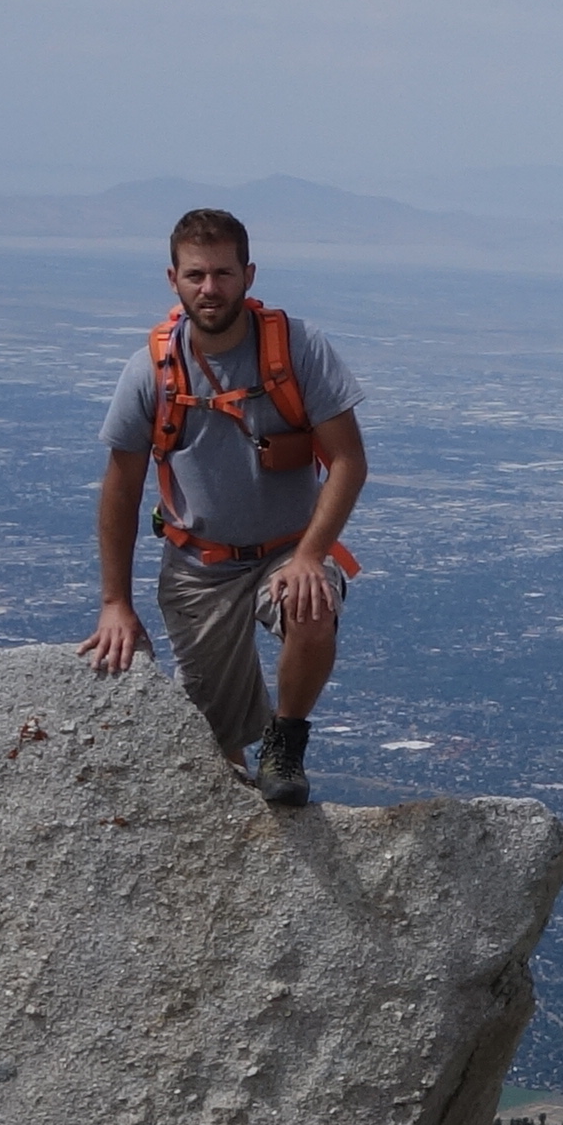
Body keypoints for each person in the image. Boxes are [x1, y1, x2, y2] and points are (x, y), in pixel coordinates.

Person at [82, 206, 369, 804]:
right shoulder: (151, 373)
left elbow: (348, 460)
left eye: (222, 273)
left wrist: (312, 555)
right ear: (174, 280)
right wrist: (115, 603)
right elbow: (121, 487)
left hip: (288, 549)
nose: (209, 289)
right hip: (199, 566)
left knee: (312, 607)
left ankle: (286, 742)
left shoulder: (298, 351)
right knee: (217, 743)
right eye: (195, 276)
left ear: (249, 275)